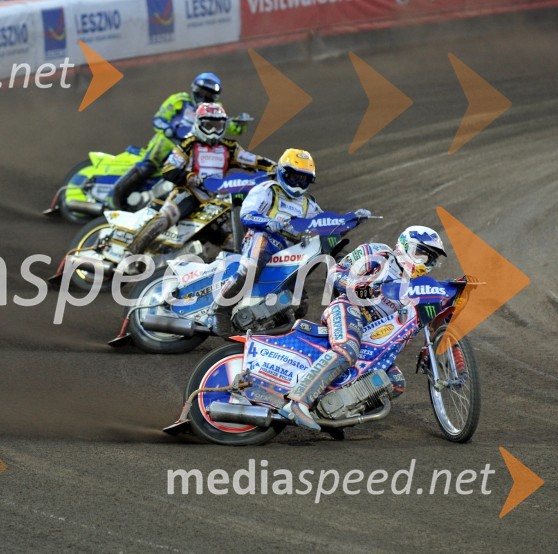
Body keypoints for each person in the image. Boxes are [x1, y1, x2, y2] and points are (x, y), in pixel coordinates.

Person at [280, 226, 448, 431]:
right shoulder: (379, 254)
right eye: (420, 253)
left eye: (430, 259)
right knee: (347, 349)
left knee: (394, 382)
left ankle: (329, 415)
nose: (424, 262)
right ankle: (298, 403)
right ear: (405, 246)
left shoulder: (419, 287)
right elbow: (336, 272)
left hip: (375, 334)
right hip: (349, 309)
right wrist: (357, 285)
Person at [209, 149, 371, 335]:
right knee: (251, 267)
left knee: (300, 304)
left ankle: (265, 326)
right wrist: (269, 223)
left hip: (291, 252)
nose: (297, 184)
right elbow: (247, 215)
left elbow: (326, 227)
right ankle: (220, 309)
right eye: (293, 177)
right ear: (281, 172)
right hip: (263, 238)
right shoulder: (268, 190)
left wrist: (352, 221)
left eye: (303, 179)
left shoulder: (309, 205)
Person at [125, 102, 275, 257]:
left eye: (217, 126)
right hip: (189, 193)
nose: (213, 131)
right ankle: (131, 251)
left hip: (214, 202)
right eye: (209, 125)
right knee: (167, 215)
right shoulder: (188, 144)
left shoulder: (230, 147)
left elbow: (254, 160)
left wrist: (276, 168)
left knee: (231, 241)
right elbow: (168, 168)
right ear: (198, 124)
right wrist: (188, 177)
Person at [111, 73, 249, 208]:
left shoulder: (214, 109)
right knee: (148, 166)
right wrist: (168, 129)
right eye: (201, 93)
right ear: (194, 90)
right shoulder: (180, 100)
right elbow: (159, 119)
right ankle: (115, 195)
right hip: (168, 142)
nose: (204, 99)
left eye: (209, 97)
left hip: (191, 149)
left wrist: (240, 124)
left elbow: (225, 124)